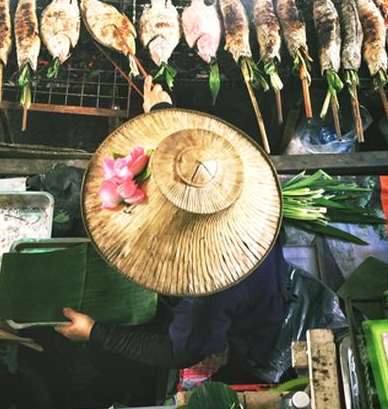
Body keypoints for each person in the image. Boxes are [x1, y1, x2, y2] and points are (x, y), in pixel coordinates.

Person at [55, 76, 290, 383]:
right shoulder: (227, 172)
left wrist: (95, 332)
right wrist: (161, 111)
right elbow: (192, 166)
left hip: (251, 325)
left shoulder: (204, 288)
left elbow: (178, 352)